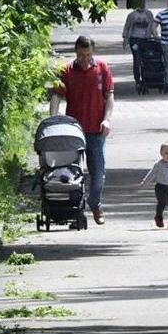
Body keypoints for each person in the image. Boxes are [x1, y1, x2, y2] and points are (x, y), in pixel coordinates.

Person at [50, 35, 115, 226]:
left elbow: (109, 97)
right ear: (76, 52)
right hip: (73, 131)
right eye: (81, 55)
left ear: (92, 52)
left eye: (88, 55)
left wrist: (107, 119)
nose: (85, 59)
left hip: (96, 130)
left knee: (98, 173)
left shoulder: (102, 68)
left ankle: (95, 204)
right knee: (71, 173)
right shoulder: (66, 71)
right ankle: (74, 210)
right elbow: (56, 98)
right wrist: (53, 121)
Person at [122, 0, 154, 87]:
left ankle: (146, 78)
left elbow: (152, 26)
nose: (142, 4)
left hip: (146, 39)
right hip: (135, 40)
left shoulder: (149, 14)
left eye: (143, 2)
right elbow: (127, 27)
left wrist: (155, 36)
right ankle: (137, 80)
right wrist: (125, 39)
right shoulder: (132, 15)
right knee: (137, 59)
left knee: (147, 59)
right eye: (140, 3)